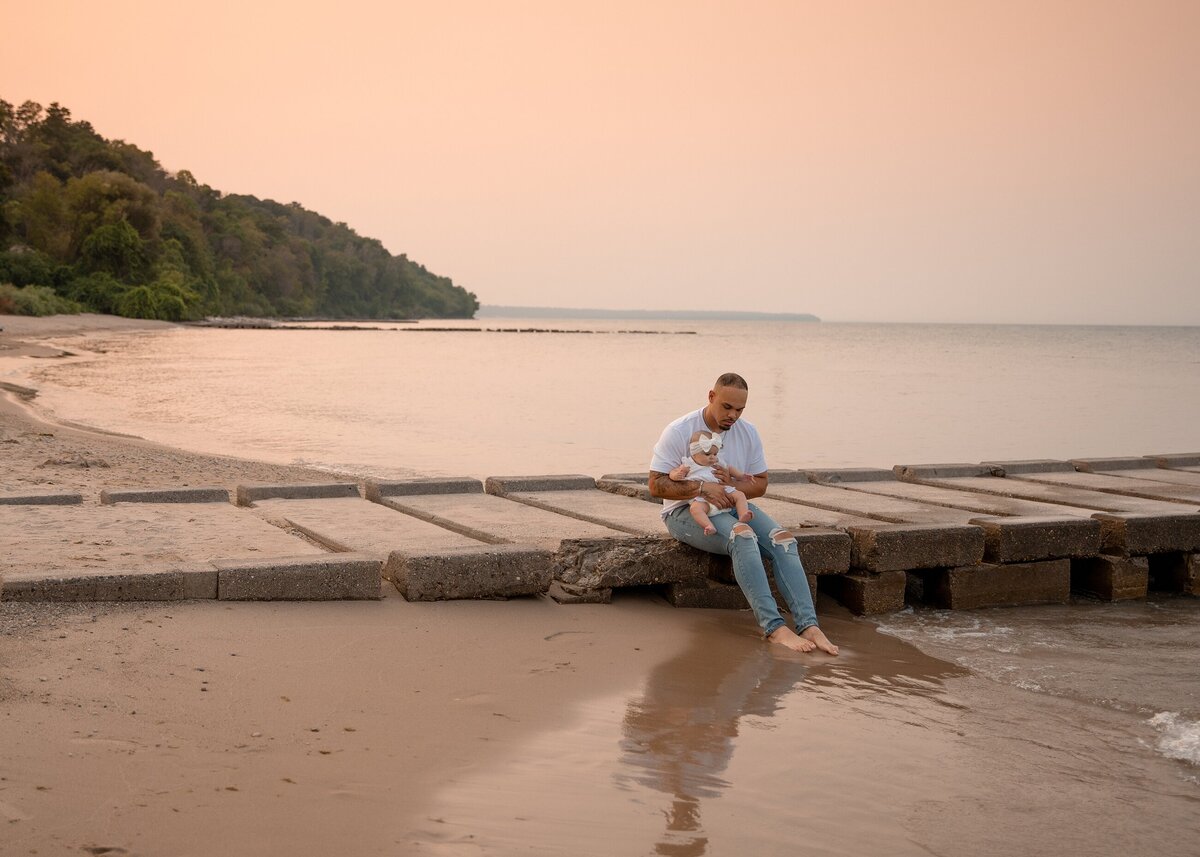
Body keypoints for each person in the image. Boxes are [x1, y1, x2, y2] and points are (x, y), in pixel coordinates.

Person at [648, 373, 838, 655]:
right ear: (711, 397)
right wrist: (703, 486)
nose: (733, 415)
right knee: (743, 536)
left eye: (740, 409)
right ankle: (774, 628)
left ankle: (809, 625)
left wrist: (731, 485)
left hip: (730, 503)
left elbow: (760, 482)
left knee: (784, 539)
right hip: (686, 511)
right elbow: (655, 484)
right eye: (727, 407)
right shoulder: (679, 430)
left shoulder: (747, 431)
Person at [669, 430, 753, 535]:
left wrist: (740, 476)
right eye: (707, 454)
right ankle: (708, 526)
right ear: (694, 454)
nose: (712, 457)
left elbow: (729, 469)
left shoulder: (717, 462)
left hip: (722, 491)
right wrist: (675, 475)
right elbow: (674, 472)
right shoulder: (689, 464)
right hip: (702, 498)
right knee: (695, 509)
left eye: (715, 453)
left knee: (740, 495)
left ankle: (743, 514)